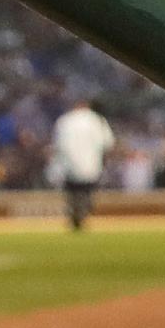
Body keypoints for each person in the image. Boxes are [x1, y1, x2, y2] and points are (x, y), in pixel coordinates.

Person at [50, 97, 113, 232]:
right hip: (91, 164)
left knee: (73, 193)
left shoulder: (65, 121)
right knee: (86, 192)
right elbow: (107, 143)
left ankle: (76, 214)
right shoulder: (96, 120)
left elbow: (58, 145)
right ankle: (82, 213)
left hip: (69, 165)